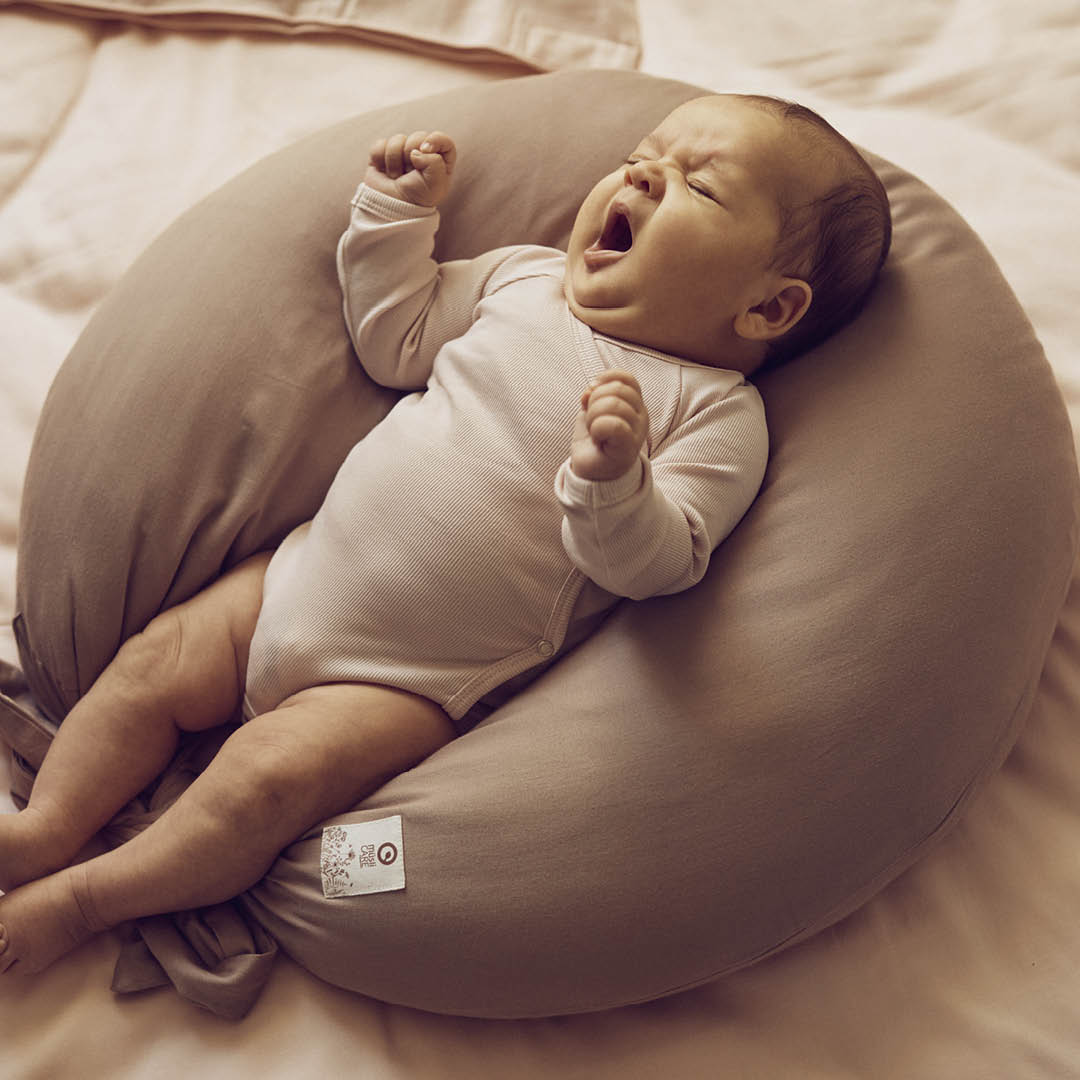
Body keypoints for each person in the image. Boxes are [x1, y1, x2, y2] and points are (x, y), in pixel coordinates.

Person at [0, 94, 890, 975]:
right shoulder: (526, 280)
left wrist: (615, 483)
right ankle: (44, 831)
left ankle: (84, 901)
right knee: (155, 663)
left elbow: (662, 565)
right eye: (639, 156)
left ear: (768, 310)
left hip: (405, 684)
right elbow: (398, 336)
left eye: (697, 184)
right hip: (293, 576)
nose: (642, 175)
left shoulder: (718, 417)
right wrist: (395, 214)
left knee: (262, 783)